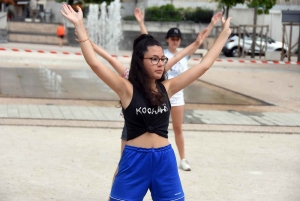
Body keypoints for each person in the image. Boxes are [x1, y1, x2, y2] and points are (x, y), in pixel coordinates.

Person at [61, 4, 231, 200]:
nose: (160, 63)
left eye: (162, 59)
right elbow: (94, 63)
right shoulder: (126, 89)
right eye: (154, 59)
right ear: (140, 61)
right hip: (134, 161)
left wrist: (224, 33)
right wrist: (80, 25)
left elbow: (204, 66)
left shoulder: (167, 88)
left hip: (164, 161)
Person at [135, 8, 223, 171]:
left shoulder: (184, 55)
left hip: (177, 97)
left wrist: (212, 24)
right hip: (160, 95)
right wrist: (141, 22)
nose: (175, 41)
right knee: (154, 127)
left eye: (178, 38)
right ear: (167, 39)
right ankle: (149, 157)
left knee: (178, 128)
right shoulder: (164, 56)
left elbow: (197, 42)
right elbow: (147, 44)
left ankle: (183, 158)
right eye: (173, 38)